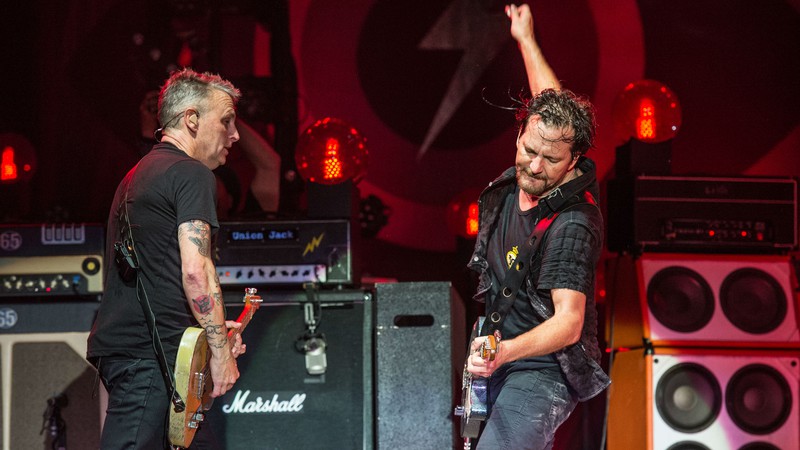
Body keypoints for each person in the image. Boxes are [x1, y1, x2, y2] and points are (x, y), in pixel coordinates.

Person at [465, 4, 610, 450]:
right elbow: (552, 105)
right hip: (496, 352)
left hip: (544, 369)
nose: (534, 164)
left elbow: (569, 323)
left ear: (574, 164)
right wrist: (525, 38)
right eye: (529, 149)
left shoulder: (572, 224)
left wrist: (504, 352)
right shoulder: (545, 135)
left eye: (550, 160)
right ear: (522, 133)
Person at [87, 68, 248, 449]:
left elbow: (157, 273)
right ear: (191, 119)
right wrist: (221, 353)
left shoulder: (138, 174)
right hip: (151, 359)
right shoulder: (190, 174)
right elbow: (197, 271)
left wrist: (211, 337)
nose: (235, 135)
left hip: (147, 354)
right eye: (225, 121)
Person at [138, 88, 281, 219]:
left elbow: (270, 165)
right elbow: (151, 185)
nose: (204, 188)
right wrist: (148, 131)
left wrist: (223, 115)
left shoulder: (245, 229)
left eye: (210, 182)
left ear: (229, 200)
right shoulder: (171, 230)